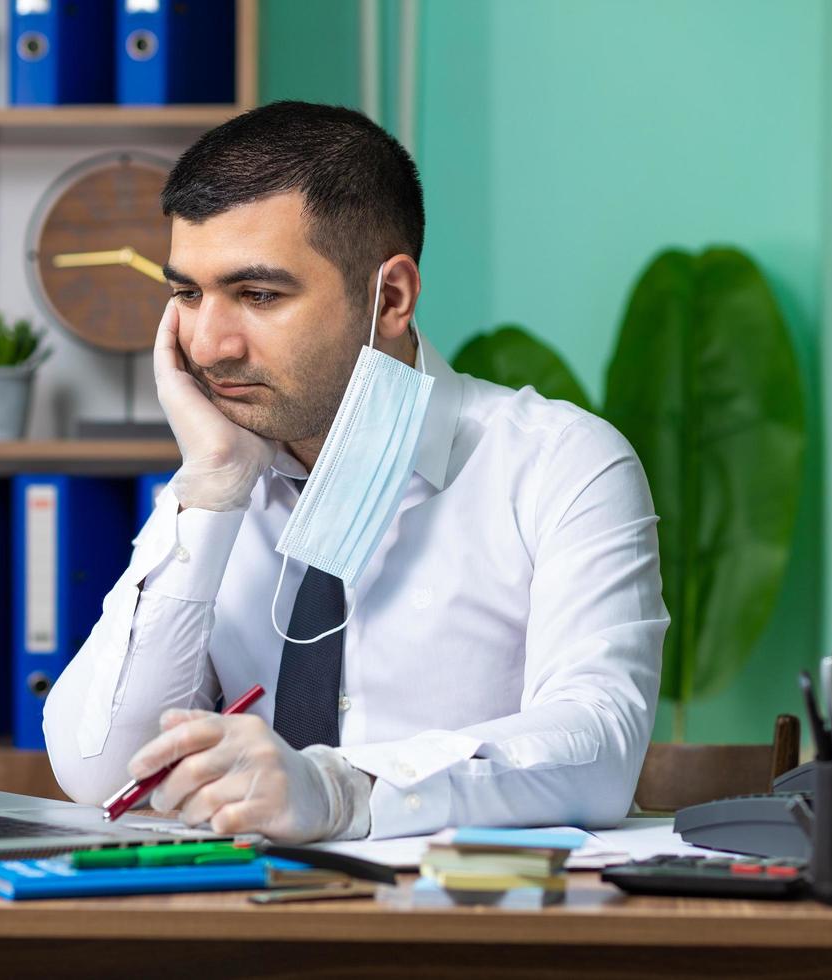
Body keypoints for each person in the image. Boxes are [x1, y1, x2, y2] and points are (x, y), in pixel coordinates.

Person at [43, 101, 668, 843]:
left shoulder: (558, 464)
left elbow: (597, 748)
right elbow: (100, 770)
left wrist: (340, 791)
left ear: (391, 299)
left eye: (258, 295)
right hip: (246, 930)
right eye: (187, 294)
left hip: (467, 934)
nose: (208, 345)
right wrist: (210, 487)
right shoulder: (223, 472)